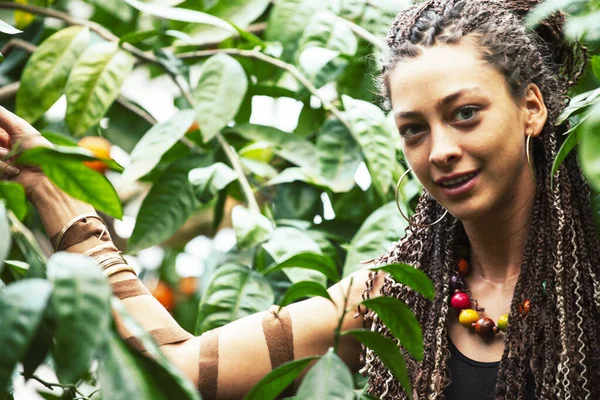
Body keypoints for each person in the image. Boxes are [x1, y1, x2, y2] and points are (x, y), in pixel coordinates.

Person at [0, 0, 598, 398]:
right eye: (414, 128)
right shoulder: (388, 299)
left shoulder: (590, 279)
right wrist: (48, 188)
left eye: (465, 114)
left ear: (532, 107)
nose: (439, 149)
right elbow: (176, 373)